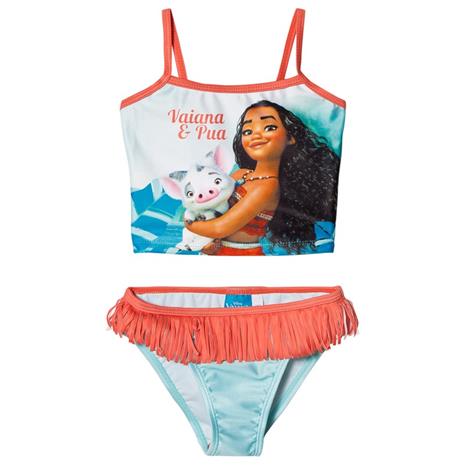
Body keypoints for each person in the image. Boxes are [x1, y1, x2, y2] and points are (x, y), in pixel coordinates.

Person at [185, 99, 340, 255]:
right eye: (247, 131)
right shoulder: (242, 173)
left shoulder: (268, 187)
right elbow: (214, 209)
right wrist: (205, 241)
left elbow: (220, 228)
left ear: (289, 138)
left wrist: (189, 223)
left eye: (269, 127)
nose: (255, 135)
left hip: (239, 255)